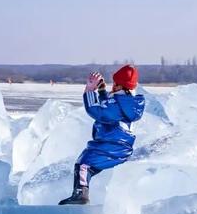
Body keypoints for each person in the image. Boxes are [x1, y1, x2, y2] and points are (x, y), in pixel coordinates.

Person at [58, 64, 145, 205]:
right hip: (120, 145)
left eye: (115, 83)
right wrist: (102, 91)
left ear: (119, 85)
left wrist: (89, 91)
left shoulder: (117, 104)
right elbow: (109, 106)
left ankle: (80, 195)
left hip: (111, 145)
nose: (113, 86)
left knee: (83, 164)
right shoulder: (128, 103)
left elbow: (97, 111)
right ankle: (82, 192)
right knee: (89, 165)